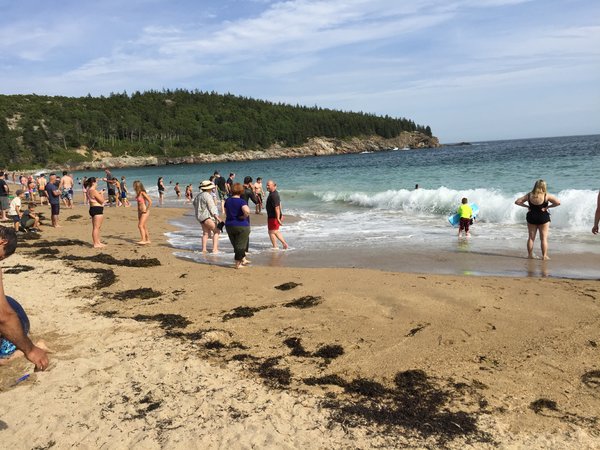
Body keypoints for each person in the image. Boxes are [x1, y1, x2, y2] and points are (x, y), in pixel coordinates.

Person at [0, 226, 49, 371]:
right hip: (8, 310)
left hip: (15, 314)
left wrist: (30, 350)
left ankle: (31, 346)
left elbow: (4, 316)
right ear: (2, 242)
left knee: (4, 355)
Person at [515, 179, 560, 260]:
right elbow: (558, 203)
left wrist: (527, 206)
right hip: (543, 217)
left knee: (531, 238)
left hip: (531, 217)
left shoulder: (529, 195)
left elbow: (517, 202)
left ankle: (530, 255)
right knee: (543, 238)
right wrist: (547, 207)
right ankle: (544, 256)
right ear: (544, 186)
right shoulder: (546, 195)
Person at [224, 183, 251, 269]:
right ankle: (237, 264)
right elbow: (247, 211)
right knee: (241, 245)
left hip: (229, 225)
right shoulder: (241, 201)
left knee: (236, 244)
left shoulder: (227, 200)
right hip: (241, 225)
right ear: (241, 191)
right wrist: (243, 216)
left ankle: (243, 259)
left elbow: (226, 211)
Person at [193, 180, 222, 253]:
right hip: (206, 217)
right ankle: (215, 249)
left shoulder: (198, 195)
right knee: (217, 231)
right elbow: (211, 207)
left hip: (200, 217)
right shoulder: (208, 195)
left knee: (205, 233)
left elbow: (194, 203)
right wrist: (217, 217)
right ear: (209, 188)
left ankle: (204, 249)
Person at [266, 180, 288, 250]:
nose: (267, 186)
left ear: (274, 186)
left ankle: (277, 246)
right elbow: (280, 203)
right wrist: (281, 214)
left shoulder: (274, 195)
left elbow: (277, 207)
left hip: (274, 216)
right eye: (267, 185)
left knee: (272, 231)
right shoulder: (273, 193)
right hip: (273, 216)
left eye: (268, 185)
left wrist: (278, 218)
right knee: (274, 231)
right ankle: (281, 244)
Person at [84, 177, 106, 248]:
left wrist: (99, 193)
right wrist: (102, 194)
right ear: (93, 183)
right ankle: (96, 243)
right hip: (97, 209)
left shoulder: (88, 190)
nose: (97, 184)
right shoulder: (93, 190)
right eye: (96, 182)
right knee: (96, 228)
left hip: (93, 208)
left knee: (97, 227)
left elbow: (93, 198)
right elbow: (102, 201)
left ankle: (98, 242)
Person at [133, 180, 152, 244]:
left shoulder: (142, 193)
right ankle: (148, 240)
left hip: (144, 212)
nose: (134, 187)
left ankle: (143, 240)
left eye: (135, 186)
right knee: (143, 226)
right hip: (140, 212)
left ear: (138, 186)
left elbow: (150, 201)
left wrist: (146, 209)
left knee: (140, 226)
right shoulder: (138, 193)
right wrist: (138, 212)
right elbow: (139, 204)